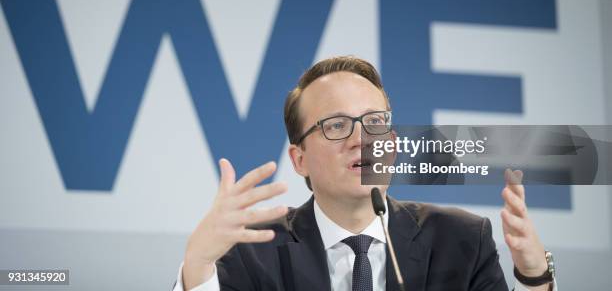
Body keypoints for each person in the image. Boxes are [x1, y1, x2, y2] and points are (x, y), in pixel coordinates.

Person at [173, 56, 557, 290]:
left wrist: (534, 276)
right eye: (337, 125)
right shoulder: (253, 252)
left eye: (374, 122)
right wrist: (197, 268)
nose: (361, 139)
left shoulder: (461, 241)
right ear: (300, 159)